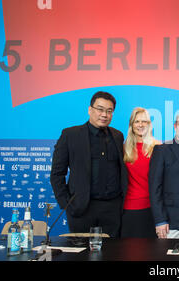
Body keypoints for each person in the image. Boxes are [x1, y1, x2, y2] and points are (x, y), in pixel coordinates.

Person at [50, 91, 128, 238]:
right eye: (100, 109)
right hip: (82, 208)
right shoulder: (70, 135)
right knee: (81, 255)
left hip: (112, 208)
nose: (104, 114)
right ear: (90, 110)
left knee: (113, 253)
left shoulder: (117, 136)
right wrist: (66, 204)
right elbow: (57, 174)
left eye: (109, 111)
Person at [121, 107, 161, 238]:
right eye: (137, 121)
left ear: (149, 124)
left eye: (144, 121)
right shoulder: (123, 148)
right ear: (131, 125)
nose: (140, 125)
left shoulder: (158, 147)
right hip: (128, 209)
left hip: (151, 209)